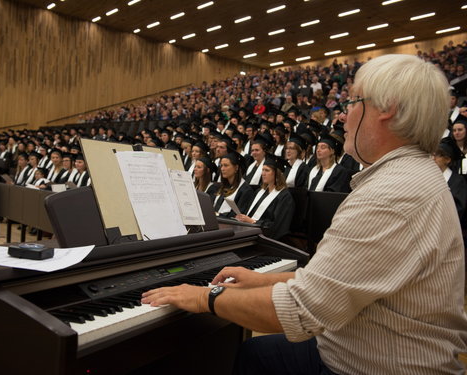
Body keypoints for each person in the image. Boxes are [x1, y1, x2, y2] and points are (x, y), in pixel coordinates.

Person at [142, 54, 467, 374]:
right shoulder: (411, 177)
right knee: (256, 353)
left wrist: (203, 297)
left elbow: (301, 310)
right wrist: (264, 280)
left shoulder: (389, 195)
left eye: (353, 103)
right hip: (363, 345)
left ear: (387, 109)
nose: (343, 117)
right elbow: (341, 281)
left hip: (373, 364)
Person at [235, 155, 294, 240]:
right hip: (249, 231)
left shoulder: (284, 197)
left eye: (267, 170)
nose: (263, 173)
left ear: (277, 174)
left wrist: (252, 222)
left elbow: (277, 226)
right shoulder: (259, 192)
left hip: (264, 238)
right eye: (262, 170)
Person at [212, 152, 253, 217]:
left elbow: (239, 215)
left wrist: (218, 214)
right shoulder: (222, 187)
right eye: (221, 165)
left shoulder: (245, 190)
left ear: (236, 167)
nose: (222, 169)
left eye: (226, 165)